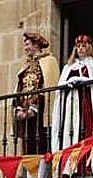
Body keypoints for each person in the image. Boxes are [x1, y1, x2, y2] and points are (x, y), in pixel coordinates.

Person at [52, 35, 93, 173]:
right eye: (78, 46)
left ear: (90, 47)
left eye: (83, 46)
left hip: (89, 104)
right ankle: (71, 168)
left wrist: (84, 80)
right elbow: (59, 87)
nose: (80, 49)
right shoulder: (69, 67)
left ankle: (89, 166)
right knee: (71, 133)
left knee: (89, 131)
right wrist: (68, 83)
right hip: (71, 105)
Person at [15, 32, 61, 160]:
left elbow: (46, 86)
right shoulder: (26, 65)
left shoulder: (49, 61)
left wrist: (34, 108)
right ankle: (29, 176)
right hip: (25, 110)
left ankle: (41, 175)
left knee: (41, 143)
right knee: (27, 145)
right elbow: (20, 87)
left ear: (36, 45)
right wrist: (19, 107)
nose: (25, 48)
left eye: (28, 44)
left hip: (41, 111)